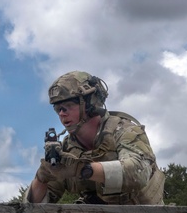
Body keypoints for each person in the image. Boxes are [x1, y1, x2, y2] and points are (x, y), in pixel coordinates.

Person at [27, 71, 165, 205]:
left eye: (68, 106)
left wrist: (82, 169)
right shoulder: (67, 149)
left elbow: (138, 172)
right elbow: (33, 208)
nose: (62, 114)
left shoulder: (124, 131)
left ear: (90, 103)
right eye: (58, 109)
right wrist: (42, 177)